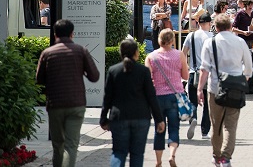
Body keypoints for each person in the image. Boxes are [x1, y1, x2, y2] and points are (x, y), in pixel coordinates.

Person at [35, 19, 101, 167]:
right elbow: (94, 76)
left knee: (58, 145)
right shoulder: (80, 51)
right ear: (72, 34)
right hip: (76, 103)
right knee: (71, 145)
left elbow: (39, 79)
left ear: (54, 34)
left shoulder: (47, 53)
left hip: (55, 104)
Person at [198, 13, 253, 167]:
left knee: (216, 125)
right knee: (230, 125)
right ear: (230, 26)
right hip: (235, 89)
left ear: (215, 27)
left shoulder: (210, 43)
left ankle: (216, 156)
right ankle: (226, 157)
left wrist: (199, 89)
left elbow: (204, 69)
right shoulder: (240, 42)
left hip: (215, 88)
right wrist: (243, 79)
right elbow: (249, 67)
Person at [101, 39, 165, 167]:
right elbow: (151, 96)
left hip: (119, 117)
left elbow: (107, 97)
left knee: (118, 152)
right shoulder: (143, 71)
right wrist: (159, 119)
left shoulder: (114, 71)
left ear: (121, 52)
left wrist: (103, 118)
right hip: (141, 117)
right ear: (136, 53)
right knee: (137, 154)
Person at [146, 28, 189, 167]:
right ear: (172, 40)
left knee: (159, 129)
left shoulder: (151, 57)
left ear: (159, 40)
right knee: (174, 128)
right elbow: (185, 76)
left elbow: (147, 79)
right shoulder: (179, 55)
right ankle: (172, 155)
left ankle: (158, 161)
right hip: (175, 96)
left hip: (157, 97)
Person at [181, 13, 213, 140]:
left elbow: (183, 54)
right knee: (207, 105)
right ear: (209, 23)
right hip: (208, 74)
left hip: (193, 73)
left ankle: (193, 118)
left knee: (193, 100)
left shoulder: (191, 35)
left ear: (198, 23)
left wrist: (186, 68)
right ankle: (205, 132)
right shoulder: (212, 37)